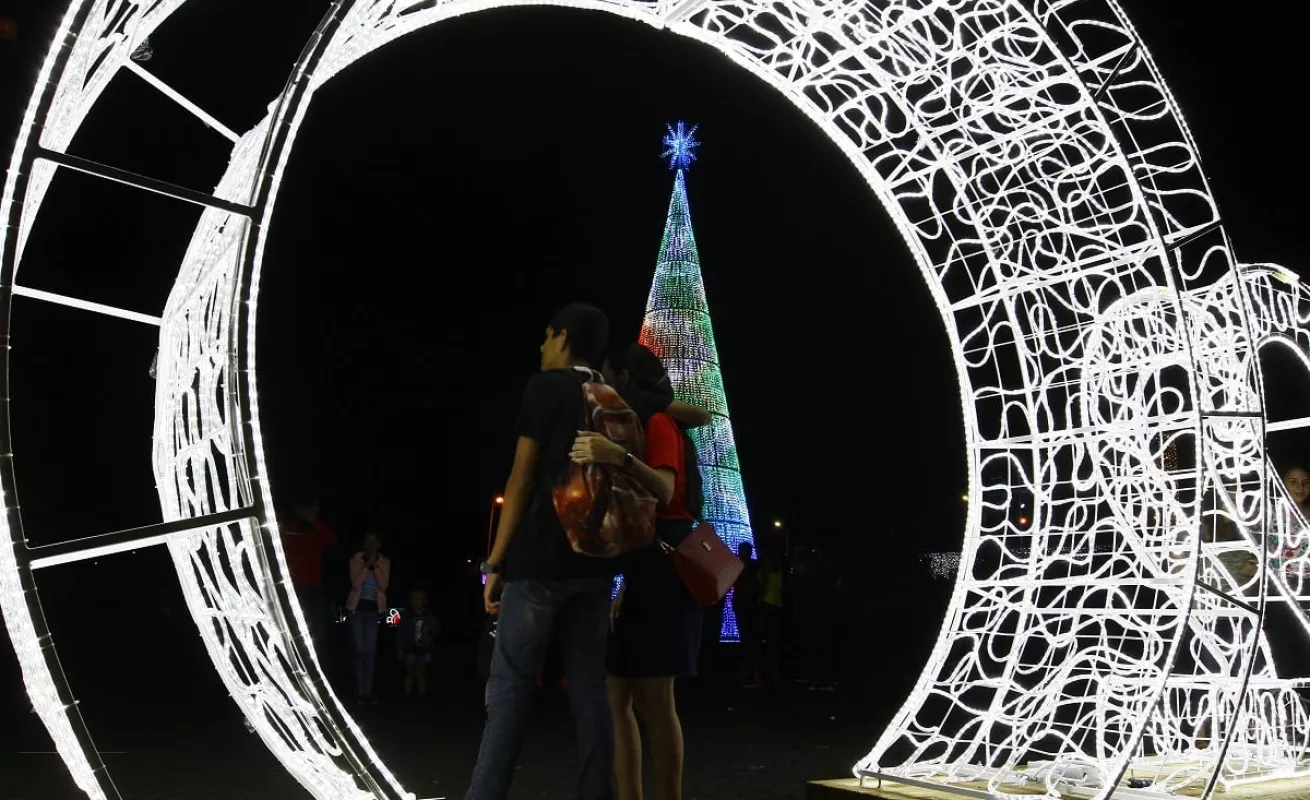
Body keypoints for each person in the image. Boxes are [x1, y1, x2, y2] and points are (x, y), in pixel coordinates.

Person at [469, 302, 647, 800]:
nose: (541, 346)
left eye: (546, 337)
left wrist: (495, 562)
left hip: (539, 560)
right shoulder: (615, 394)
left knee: (510, 689)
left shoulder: (544, 387)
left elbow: (521, 477)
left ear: (563, 337)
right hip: (595, 562)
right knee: (590, 690)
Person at [580, 342, 708, 800]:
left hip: (667, 574)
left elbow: (666, 486)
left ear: (627, 380)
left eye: (610, 376)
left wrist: (618, 458)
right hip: (642, 572)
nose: (605, 385)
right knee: (618, 695)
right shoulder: (641, 422)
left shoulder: (658, 422)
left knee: (656, 700)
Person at [278, 493, 338, 663]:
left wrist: (314, 521)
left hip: (314, 588)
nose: (316, 510)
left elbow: (333, 540)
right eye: (314, 506)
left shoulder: (317, 529)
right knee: (294, 632)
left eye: (319, 507)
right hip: (293, 588)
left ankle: (319, 672)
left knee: (318, 633)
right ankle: (294, 670)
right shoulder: (288, 527)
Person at [346, 531, 390, 705]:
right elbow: (356, 584)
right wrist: (365, 566)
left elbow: (384, 585)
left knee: (370, 652)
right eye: (368, 541)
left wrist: (376, 566)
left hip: (373, 611)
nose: (371, 545)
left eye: (374, 541)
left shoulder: (384, 561)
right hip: (356, 610)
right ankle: (359, 690)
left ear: (379, 544)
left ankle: (368, 692)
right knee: (360, 651)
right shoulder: (355, 560)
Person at [396, 588, 439, 698]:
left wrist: (430, 629)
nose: (416, 601)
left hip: (424, 649)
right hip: (410, 649)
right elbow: (401, 633)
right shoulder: (406, 615)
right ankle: (407, 695)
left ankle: (422, 696)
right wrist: (400, 649)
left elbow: (437, 629)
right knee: (409, 672)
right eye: (414, 598)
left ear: (424, 600)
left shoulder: (429, 616)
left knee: (421, 674)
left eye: (419, 598)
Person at [731, 541, 762, 686]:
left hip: (749, 606)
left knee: (749, 640)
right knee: (748, 639)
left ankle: (751, 672)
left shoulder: (748, 567)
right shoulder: (743, 566)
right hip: (744, 606)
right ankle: (751, 671)